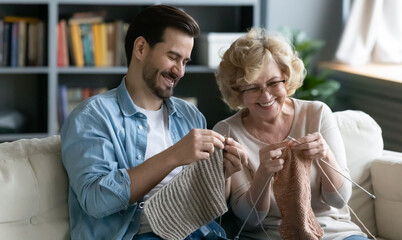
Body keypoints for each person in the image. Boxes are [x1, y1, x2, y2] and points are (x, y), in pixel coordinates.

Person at [61, 5, 247, 240]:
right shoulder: (93, 116)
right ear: (140, 48)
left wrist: (223, 174)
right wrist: (174, 156)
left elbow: (203, 204)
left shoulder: (190, 115)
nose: (179, 71)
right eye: (172, 57)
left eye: (186, 62)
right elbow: (96, 200)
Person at [213, 27, 370, 240]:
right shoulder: (227, 132)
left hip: (334, 234)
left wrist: (326, 155)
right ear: (236, 90)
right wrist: (263, 175)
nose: (266, 95)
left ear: (286, 77)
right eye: (252, 87)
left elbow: (339, 201)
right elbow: (250, 220)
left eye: (273, 82)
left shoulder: (317, 113)